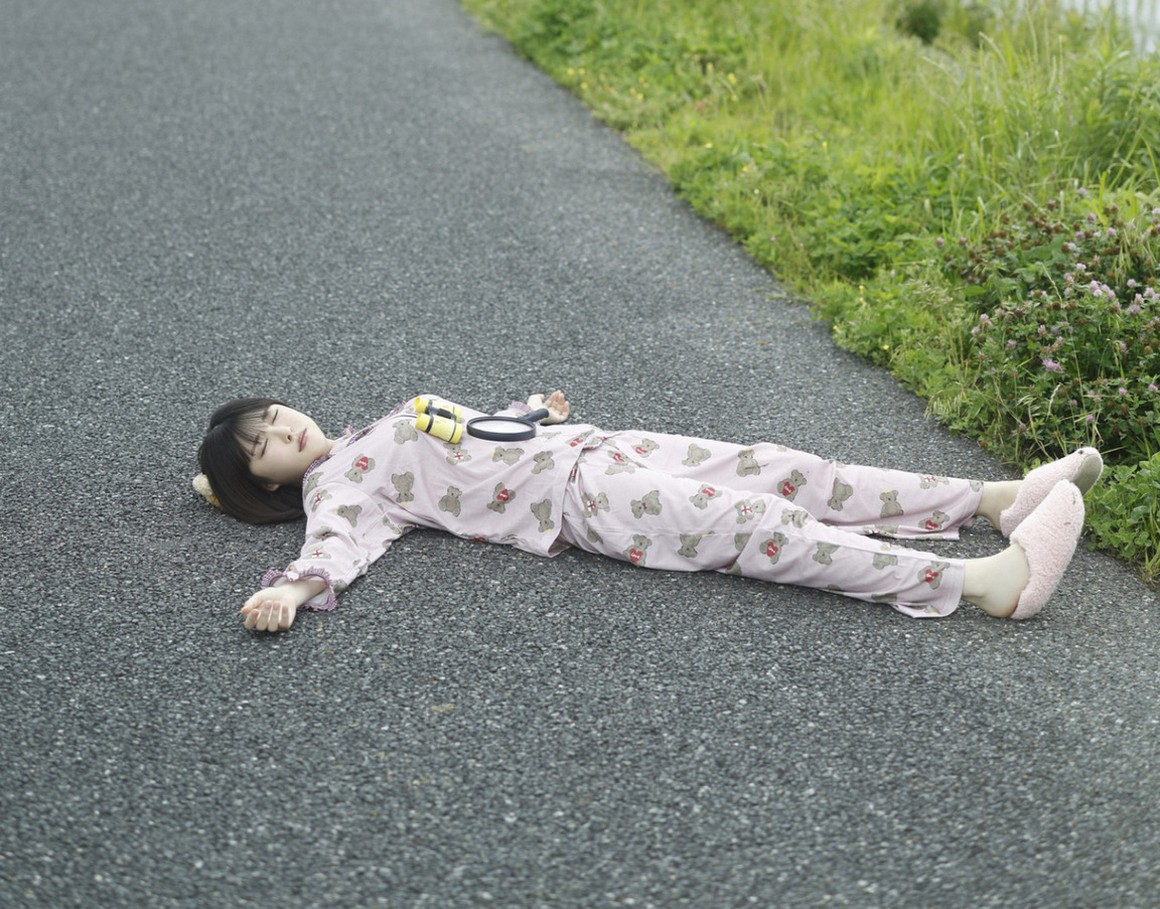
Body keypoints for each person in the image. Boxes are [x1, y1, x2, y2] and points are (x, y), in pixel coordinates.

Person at [194, 390, 1100, 634]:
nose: (286, 430)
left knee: (788, 469)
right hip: (584, 498)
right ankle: (982, 582)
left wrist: (531, 413)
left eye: (276, 416)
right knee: (761, 528)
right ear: (267, 482)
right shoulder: (337, 488)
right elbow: (339, 543)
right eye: (265, 444)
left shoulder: (364, 433)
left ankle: (993, 499)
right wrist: (297, 587)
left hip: (598, 444)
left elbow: (471, 440)